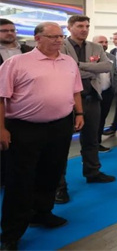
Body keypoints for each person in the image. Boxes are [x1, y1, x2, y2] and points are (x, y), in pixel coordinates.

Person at [0, 22, 84, 251]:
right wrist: (1, 128)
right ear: (37, 38)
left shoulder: (68, 62)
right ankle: (11, 232)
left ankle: (42, 213)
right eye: (52, 36)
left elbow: (76, 90)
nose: (58, 40)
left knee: (51, 172)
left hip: (60, 126)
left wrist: (79, 113)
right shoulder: (16, 63)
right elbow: (1, 97)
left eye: (60, 36)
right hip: (24, 129)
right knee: (20, 179)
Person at [57, 16, 115, 204]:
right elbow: (63, 71)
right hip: (66, 101)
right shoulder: (60, 46)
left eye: (87, 26)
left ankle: (92, 172)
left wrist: (79, 66)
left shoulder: (96, 47)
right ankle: (59, 186)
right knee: (61, 145)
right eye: (80, 26)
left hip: (91, 98)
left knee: (91, 139)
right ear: (69, 27)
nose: (84, 29)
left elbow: (106, 66)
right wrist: (92, 69)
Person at [0, 19, 33, 189]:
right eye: (5, 30)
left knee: (23, 145)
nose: (10, 33)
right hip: (2, 104)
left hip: (25, 106)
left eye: (12, 30)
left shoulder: (28, 50)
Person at [92, 35, 117, 153]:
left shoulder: (111, 57)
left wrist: (114, 89)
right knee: (92, 121)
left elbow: (114, 74)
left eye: (106, 42)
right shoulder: (88, 57)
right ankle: (90, 147)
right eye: (101, 42)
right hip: (93, 93)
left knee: (102, 118)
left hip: (107, 92)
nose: (104, 44)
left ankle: (98, 143)